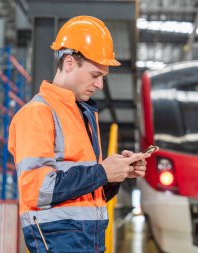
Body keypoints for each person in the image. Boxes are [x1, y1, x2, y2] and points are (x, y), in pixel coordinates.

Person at [8, 16, 150, 253]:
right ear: (70, 63)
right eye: (95, 75)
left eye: (102, 78)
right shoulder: (37, 114)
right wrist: (102, 171)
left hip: (88, 242)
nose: (100, 85)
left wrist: (116, 175)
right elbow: (37, 189)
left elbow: (84, 195)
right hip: (59, 244)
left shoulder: (82, 115)